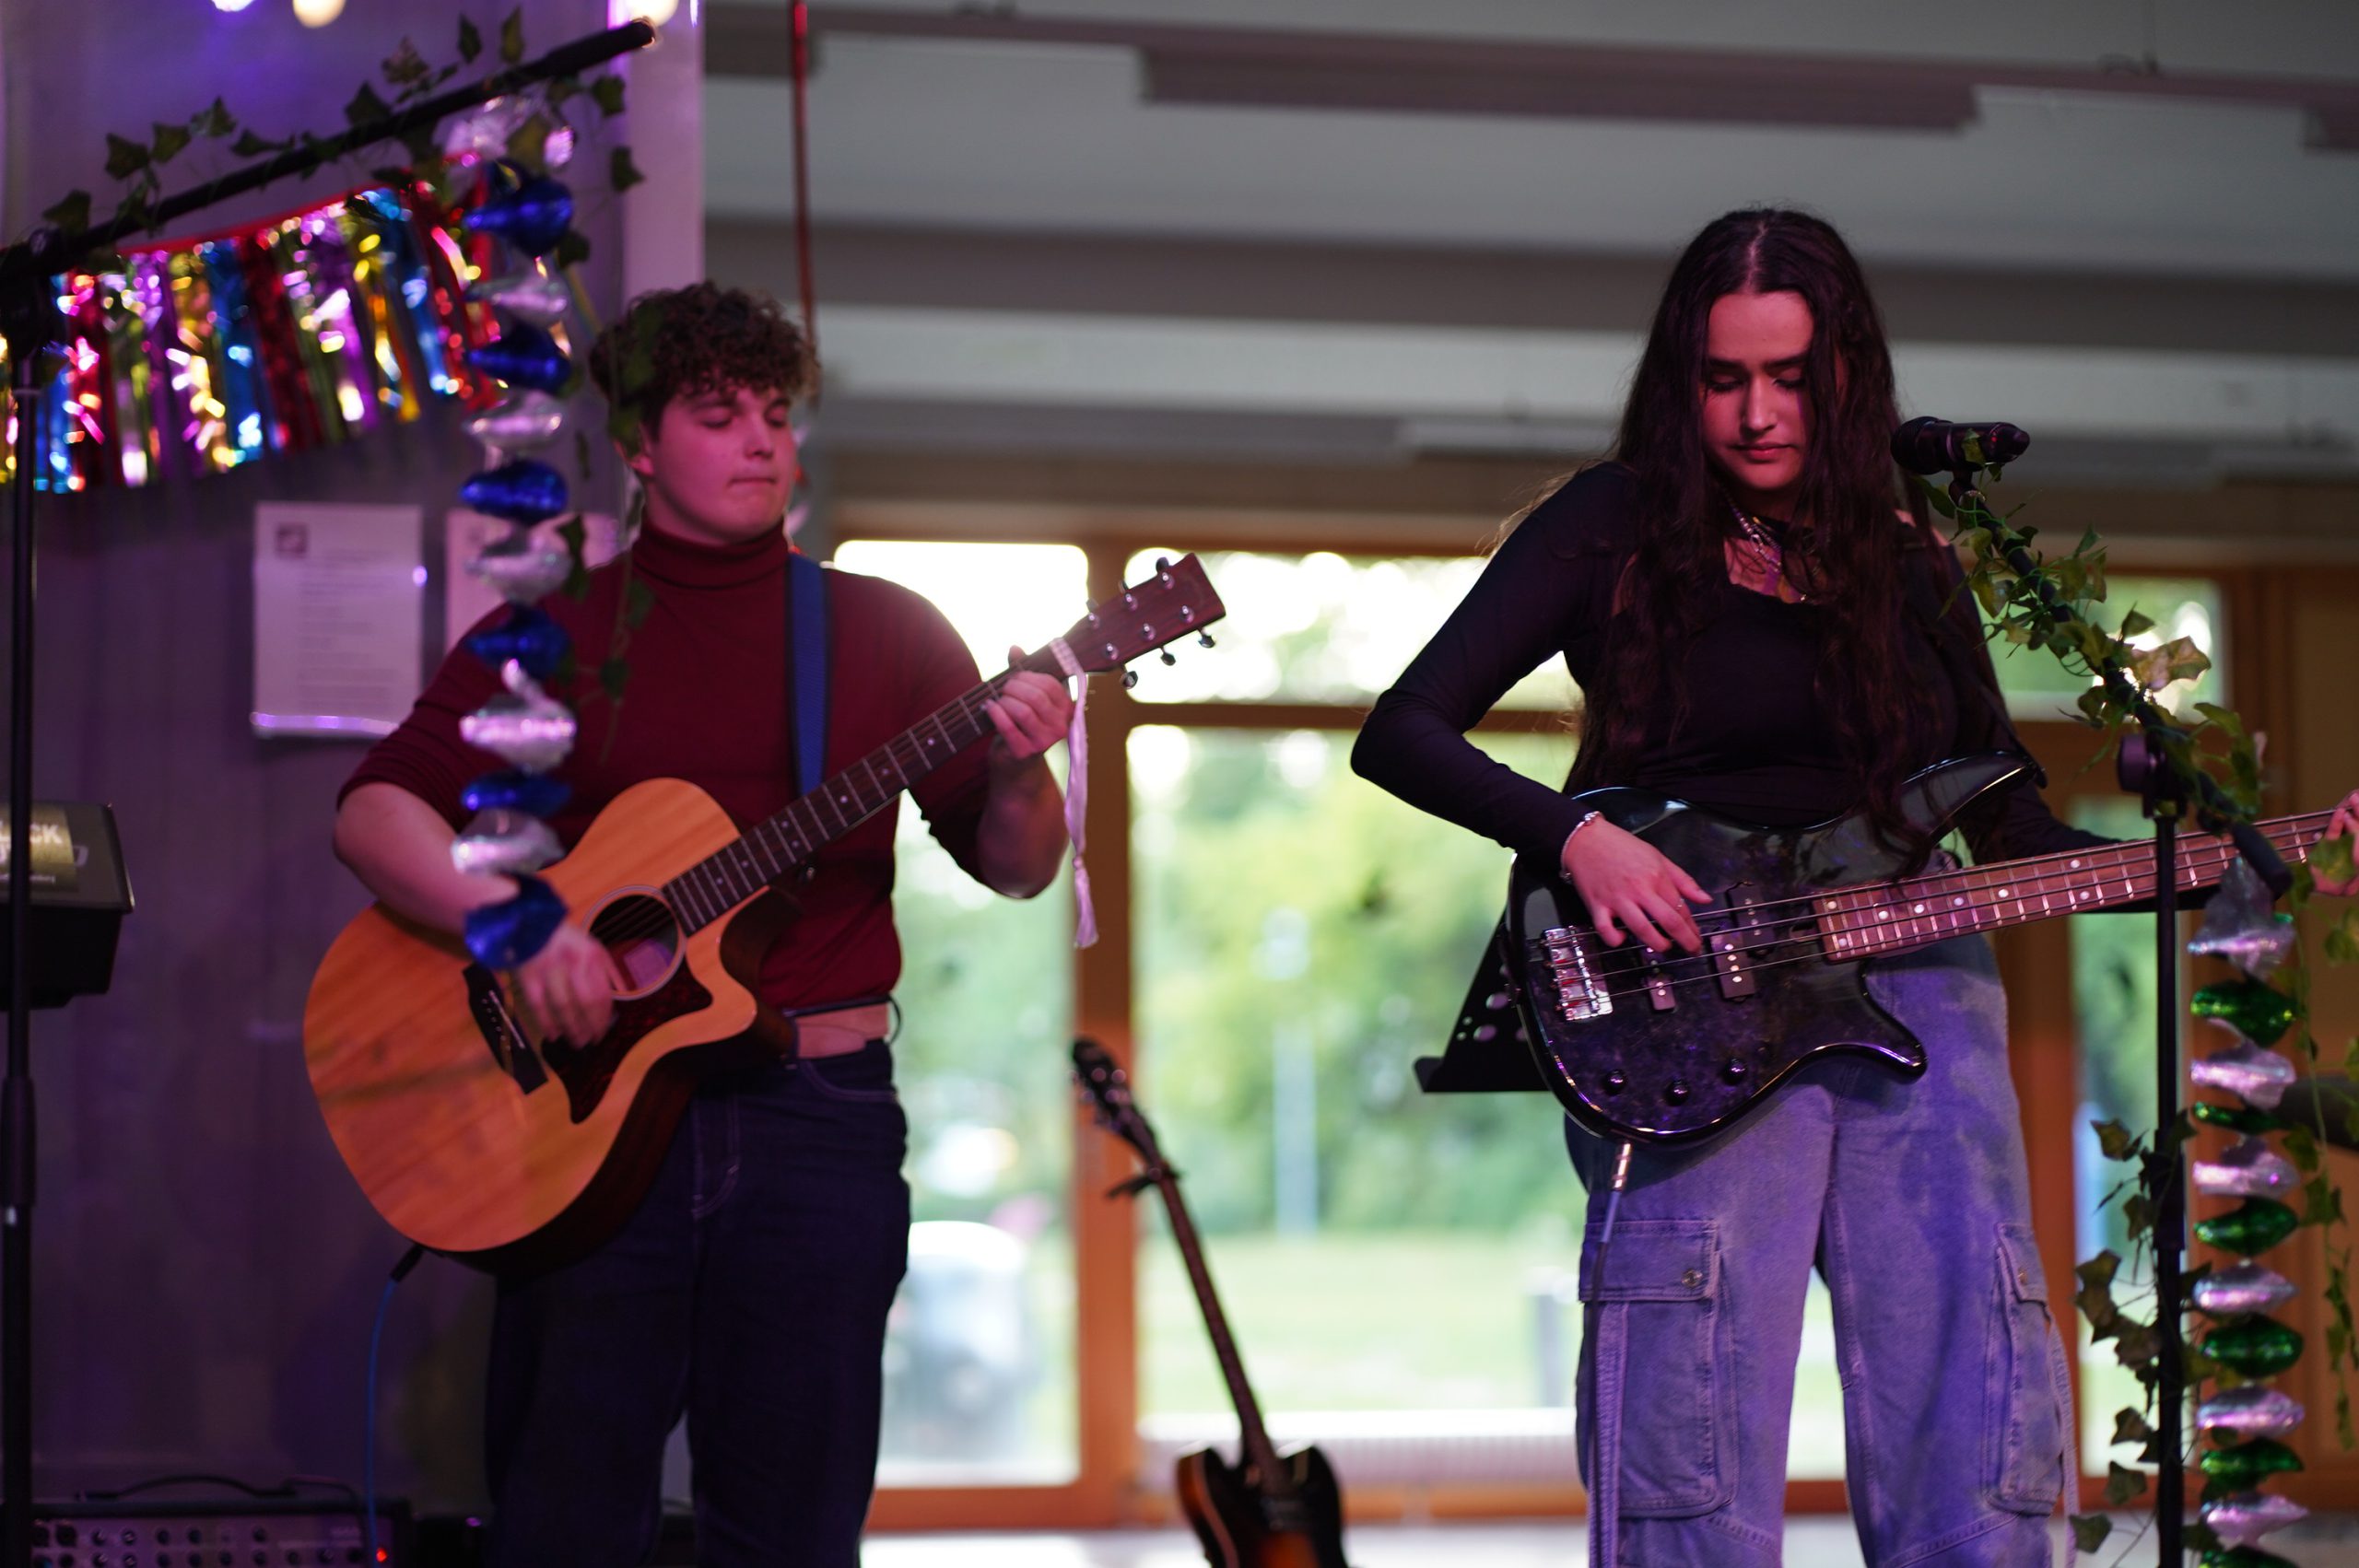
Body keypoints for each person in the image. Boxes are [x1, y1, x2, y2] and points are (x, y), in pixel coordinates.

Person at [1352, 208, 2359, 1567]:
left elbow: (2007, 829)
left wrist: (2234, 861)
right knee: (1690, 1399)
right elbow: (1402, 729)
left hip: (1922, 985)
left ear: (1846, 374)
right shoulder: (1611, 525)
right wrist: (1576, 837)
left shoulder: (1909, 556)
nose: (1758, 413)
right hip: (1691, 982)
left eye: (1789, 376)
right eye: (1723, 379)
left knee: (1972, 1369)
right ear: (1682, 380)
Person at [332, 282, 1075, 1567]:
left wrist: (1021, 767)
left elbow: (1018, 867)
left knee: (794, 1532)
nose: (761, 443)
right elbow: (374, 812)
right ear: (635, 444)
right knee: (565, 1523)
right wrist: (515, 925)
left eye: (777, 415)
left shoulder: (887, 628)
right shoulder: (553, 631)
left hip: (818, 1115)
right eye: (720, 415)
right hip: (587, 1114)